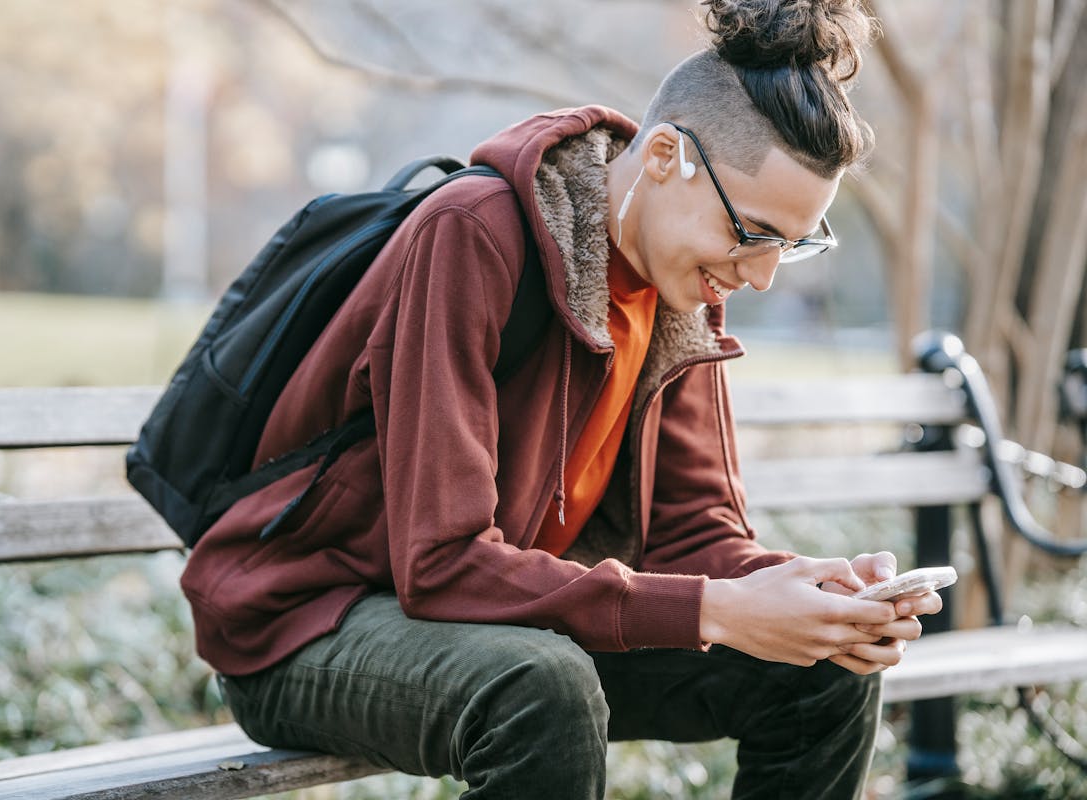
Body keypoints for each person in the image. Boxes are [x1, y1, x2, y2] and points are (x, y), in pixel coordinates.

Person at [181, 1, 943, 797]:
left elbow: (694, 534)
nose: (761, 276)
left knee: (822, 670)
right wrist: (714, 609)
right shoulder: (473, 235)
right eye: (752, 233)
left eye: (793, 244)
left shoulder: (680, 285)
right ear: (662, 158)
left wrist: (809, 597)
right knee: (542, 686)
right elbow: (440, 566)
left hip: (513, 624)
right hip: (311, 622)